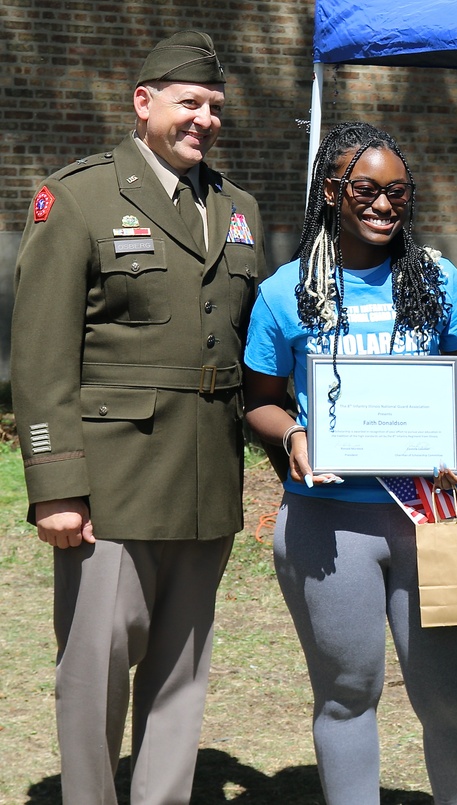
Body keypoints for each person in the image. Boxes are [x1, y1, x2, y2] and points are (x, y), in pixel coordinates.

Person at [9, 31, 266, 804]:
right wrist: (55, 484)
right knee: (94, 674)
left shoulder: (239, 208)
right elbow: (41, 355)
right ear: (143, 102)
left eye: (215, 107)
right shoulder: (80, 196)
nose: (204, 120)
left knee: (182, 672)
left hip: (204, 483)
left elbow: (254, 347)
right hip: (110, 486)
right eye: (190, 103)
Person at [242, 121, 457, 805]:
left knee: (451, 699)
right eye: (368, 189)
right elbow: (258, 400)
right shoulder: (283, 293)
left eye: (399, 193)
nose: (385, 204)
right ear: (332, 191)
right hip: (329, 526)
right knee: (349, 693)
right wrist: (293, 433)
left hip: (432, 520)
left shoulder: (439, 280)